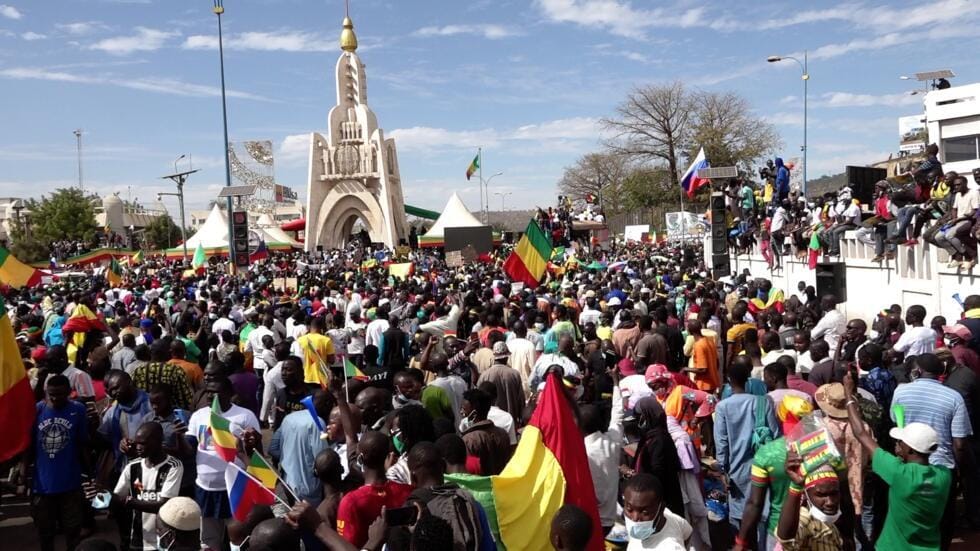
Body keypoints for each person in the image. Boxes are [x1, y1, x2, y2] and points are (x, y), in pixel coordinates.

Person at [843, 370, 952, 551]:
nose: (896, 445)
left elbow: (861, 433)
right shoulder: (944, 475)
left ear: (909, 449)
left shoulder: (899, 473)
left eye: (899, 442)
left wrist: (848, 395)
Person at [890, 353, 972, 548]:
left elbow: (896, 423)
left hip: (908, 466)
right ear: (940, 373)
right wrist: (960, 472)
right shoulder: (954, 397)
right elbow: (959, 444)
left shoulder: (900, 393)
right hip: (942, 468)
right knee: (943, 522)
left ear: (916, 371)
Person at [184, 377, 261, 550]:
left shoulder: (245, 416)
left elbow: (256, 452)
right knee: (209, 541)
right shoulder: (199, 416)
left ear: (229, 394)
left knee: (238, 539)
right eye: (208, 392)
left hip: (236, 488)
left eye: (215, 392)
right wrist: (178, 440)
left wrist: (253, 441)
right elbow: (189, 447)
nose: (210, 396)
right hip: (205, 489)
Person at [19, 374, 91, 551]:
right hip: (42, 487)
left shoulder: (78, 410)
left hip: (71, 484)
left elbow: (83, 445)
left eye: (59, 394)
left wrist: (90, 473)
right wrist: (22, 475)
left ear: (68, 392)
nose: (54, 398)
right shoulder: (36, 411)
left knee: (73, 533)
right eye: (51, 394)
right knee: (45, 534)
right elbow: (28, 447)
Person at [85, 422, 183, 551]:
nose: (137, 447)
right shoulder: (132, 466)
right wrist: (100, 495)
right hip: (138, 538)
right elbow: (116, 499)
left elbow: (163, 506)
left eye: (143, 443)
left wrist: (126, 500)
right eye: (137, 442)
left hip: (163, 539)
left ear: (158, 441)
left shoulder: (173, 466)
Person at [715, 358, 781, 536]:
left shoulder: (722, 407)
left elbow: (721, 443)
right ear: (748, 379)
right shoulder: (763, 402)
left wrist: (722, 470)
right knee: (762, 513)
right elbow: (775, 437)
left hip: (736, 470)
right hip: (763, 468)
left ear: (729, 380)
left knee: (738, 517)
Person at [402, 441, 495, 551]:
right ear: (443, 466)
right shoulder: (468, 501)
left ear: (412, 476)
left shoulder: (410, 511)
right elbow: (489, 547)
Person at [335, 431, 412, 548]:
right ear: (387, 456)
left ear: (360, 458)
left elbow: (345, 546)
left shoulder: (351, 502)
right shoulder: (407, 491)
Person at [269, 389, 332, 505]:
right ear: (327, 404)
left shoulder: (289, 418)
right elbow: (324, 462)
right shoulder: (318, 423)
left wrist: (290, 457)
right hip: (309, 490)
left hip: (287, 486)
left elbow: (272, 449)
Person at [581, 366, 624, 535]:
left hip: (592, 519)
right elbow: (618, 413)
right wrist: (615, 382)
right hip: (611, 517)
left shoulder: (582, 452)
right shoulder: (613, 441)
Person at [631, 397, 685, 518]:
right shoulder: (648, 437)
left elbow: (657, 473)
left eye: (640, 417)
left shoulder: (660, 440)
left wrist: (637, 477)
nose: (637, 421)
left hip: (661, 503)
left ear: (648, 416)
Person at [774, 458, 844, 551]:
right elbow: (786, 539)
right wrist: (795, 486)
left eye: (834, 494)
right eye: (821, 495)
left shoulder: (829, 523)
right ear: (806, 495)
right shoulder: (804, 518)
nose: (830, 502)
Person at [623, 473, 693, 550]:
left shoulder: (671, 547)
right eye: (629, 509)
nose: (635, 518)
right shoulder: (671, 517)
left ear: (661, 508)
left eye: (644, 512)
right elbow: (688, 532)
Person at [460, 388, 512, 475]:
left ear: (474, 414)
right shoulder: (503, 434)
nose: (461, 412)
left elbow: (470, 472)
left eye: (464, 409)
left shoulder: (468, 440)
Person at [132, 341, 192, 410]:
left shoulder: (139, 371)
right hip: (170, 415)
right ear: (167, 353)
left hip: (145, 413)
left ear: (150, 352)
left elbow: (133, 394)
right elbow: (185, 398)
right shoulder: (175, 371)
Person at [476, 341, 526, 423]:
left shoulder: (485, 375)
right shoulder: (514, 374)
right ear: (506, 357)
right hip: (511, 421)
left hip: (490, 423)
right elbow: (521, 400)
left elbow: (478, 400)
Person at [293, 317, 336, 386]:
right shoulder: (326, 340)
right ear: (322, 327)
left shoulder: (300, 340)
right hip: (323, 379)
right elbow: (332, 360)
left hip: (306, 377)